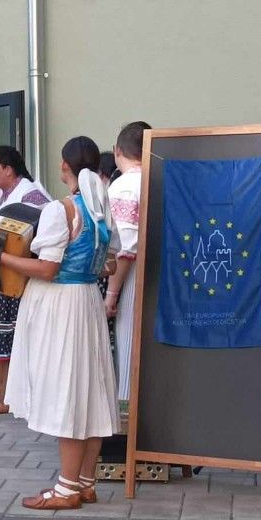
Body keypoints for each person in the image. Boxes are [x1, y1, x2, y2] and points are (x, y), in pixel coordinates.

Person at [3, 136, 119, 509]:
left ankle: (67, 489)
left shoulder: (62, 210)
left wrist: (0, 256)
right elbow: (110, 264)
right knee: (89, 392)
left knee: (66, 390)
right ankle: (84, 482)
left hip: (61, 306)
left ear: (64, 166)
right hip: (87, 300)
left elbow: (48, 269)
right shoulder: (101, 209)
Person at [0, 145, 51, 414]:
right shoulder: (1, 196)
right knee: (0, 336)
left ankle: (13, 395)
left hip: (19, 279)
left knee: (16, 338)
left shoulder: (33, 197)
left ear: (9, 169)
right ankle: (2, 390)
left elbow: (39, 238)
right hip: (0, 278)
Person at [106, 121, 150, 410]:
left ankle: (129, 416)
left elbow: (125, 248)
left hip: (135, 276)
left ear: (117, 150)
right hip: (168, 273)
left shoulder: (123, 186)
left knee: (129, 344)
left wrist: (111, 294)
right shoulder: (163, 178)